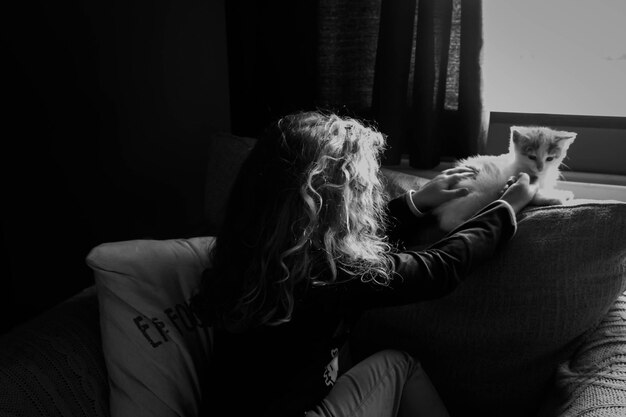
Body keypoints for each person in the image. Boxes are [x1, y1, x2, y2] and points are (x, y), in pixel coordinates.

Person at [191, 111, 538, 416]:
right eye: (363, 187)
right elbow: (441, 267)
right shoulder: (333, 275)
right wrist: (505, 207)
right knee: (399, 366)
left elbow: (341, 240)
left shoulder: (254, 250)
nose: (371, 193)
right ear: (339, 203)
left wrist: (415, 204)